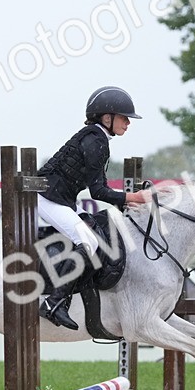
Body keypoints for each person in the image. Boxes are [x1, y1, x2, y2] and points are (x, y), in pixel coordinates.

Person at [34, 86, 151, 329]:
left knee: (95, 232)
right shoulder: (95, 140)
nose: (128, 123)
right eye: (124, 117)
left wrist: (129, 199)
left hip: (60, 199)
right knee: (90, 242)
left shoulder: (96, 137)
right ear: (106, 117)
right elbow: (98, 192)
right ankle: (53, 303)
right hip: (46, 198)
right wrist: (135, 197)